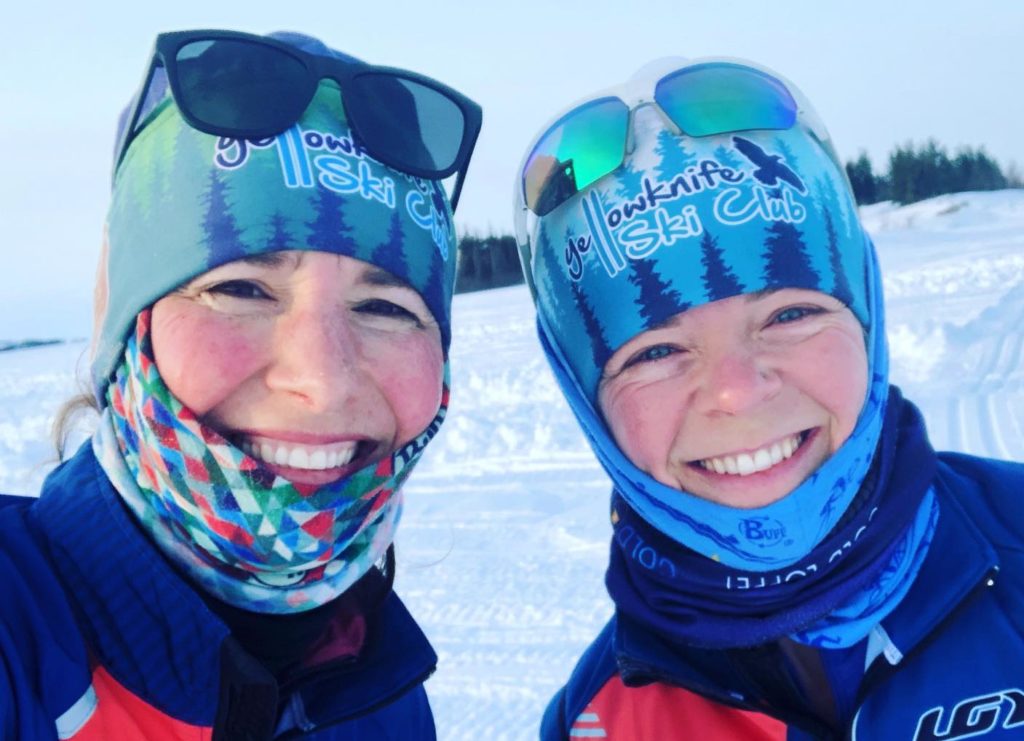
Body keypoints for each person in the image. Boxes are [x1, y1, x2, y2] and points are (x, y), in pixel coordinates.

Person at [513, 57, 1024, 739]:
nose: (737, 389)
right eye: (655, 352)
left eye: (789, 314)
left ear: (865, 316)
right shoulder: (599, 721)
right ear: (589, 403)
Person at [0, 29, 480, 739]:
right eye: (243, 287)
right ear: (128, 329)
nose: (320, 378)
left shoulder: (383, 696)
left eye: (385, 307)